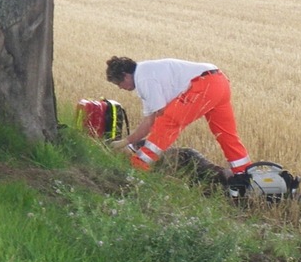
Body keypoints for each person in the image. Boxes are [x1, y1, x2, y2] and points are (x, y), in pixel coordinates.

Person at [105, 56, 252, 176]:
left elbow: (160, 115)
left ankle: (139, 165)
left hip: (204, 85)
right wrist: (125, 142)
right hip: (219, 81)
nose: (120, 88)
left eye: (118, 83)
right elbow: (148, 122)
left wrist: (130, 146)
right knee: (226, 135)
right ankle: (245, 174)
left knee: (168, 121)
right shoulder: (146, 72)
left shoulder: (143, 78)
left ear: (125, 76)